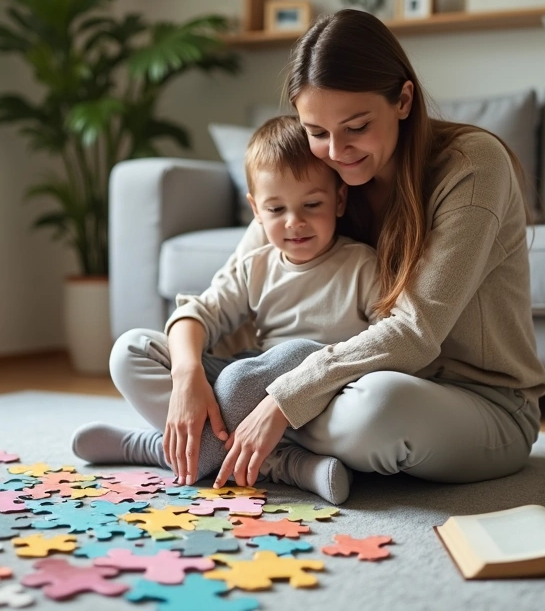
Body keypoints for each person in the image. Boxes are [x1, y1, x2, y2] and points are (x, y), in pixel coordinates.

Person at [80, 8, 545, 505]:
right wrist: (186, 376)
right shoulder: (317, 173)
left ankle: (219, 444)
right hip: (319, 381)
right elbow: (223, 290)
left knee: (378, 411)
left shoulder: (472, 166)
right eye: (316, 131)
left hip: (471, 402)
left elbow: (415, 334)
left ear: (404, 100)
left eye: (356, 127)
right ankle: (283, 457)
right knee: (132, 351)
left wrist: (283, 400)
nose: (336, 151)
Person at [73, 115, 380, 505]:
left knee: (290, 357)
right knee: (131, 350)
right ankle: (286, 465)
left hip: (322, 393)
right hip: (252, 380)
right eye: (276, 209)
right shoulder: (257, 265)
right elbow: (196, 314)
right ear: (255, 209)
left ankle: (151, 448)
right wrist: (188, 377)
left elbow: (386, 343)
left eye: (312, 204)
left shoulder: (363, 266)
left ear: (339, 200)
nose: (294, 222)